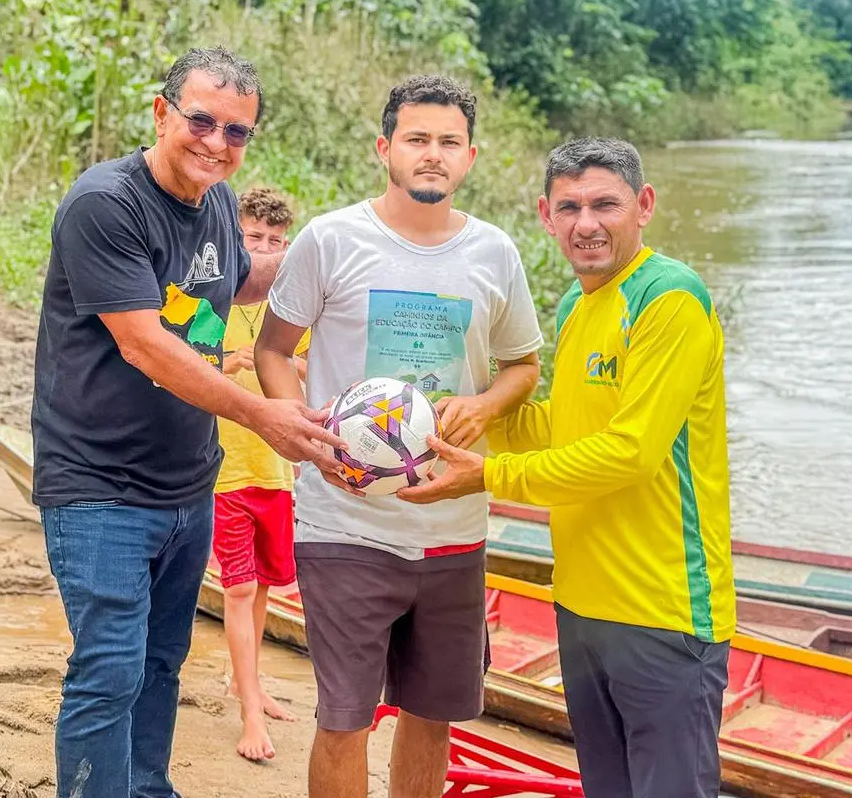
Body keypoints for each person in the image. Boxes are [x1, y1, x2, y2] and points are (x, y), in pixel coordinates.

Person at [30, 47, 344, 798]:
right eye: (201, 121)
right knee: (110, 669)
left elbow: (241, 282)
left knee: (161, 662)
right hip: (98, 484)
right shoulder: (107, 203)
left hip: (186, 484)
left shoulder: (217, 205)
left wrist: (339, 249)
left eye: (237, 132)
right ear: (161, 112)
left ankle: (147, 788)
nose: (216, 142)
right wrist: (263, 415)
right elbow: (145, 344)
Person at [402, 137, 736, 798]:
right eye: (570, 207)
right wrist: (474, 409)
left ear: (644, 206)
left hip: (663, 611)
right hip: (581, 605)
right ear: (546, 216)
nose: (587, 224)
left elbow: (631, 451)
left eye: (605, 205)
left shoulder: (668, 298)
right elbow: (566, 423)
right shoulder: (577, 306)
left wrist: (489, 476)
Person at [255, 75, 544, 798]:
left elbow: (524, 366)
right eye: (417, 139)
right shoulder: (331, 239)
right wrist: (303, 433)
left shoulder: (495, 252)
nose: (432, 154)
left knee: (432, 716)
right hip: (344, 522)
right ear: (384, 149)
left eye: (449, 142)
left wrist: (484, 404)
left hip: (454, 527)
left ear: (471, 156)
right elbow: (272, 349)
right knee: (344, 719)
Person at [214, 186, 310, 763]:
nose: (266, 249)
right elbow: (183, 360)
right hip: (225, 470)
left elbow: (310, 364)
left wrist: (281, 359)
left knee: (265, 585)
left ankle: (242, 680)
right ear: (234, 238)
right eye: (254, 238)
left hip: (276, 470)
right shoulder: (214, 296)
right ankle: (251, 711)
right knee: (239, 587)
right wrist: (232, 361)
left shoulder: (289, 308)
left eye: (277, 241)